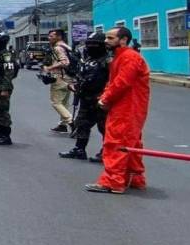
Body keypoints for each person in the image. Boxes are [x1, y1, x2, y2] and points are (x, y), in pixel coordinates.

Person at [85, 27, 151, 194]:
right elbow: (114, 82)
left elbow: (121, 83)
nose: (106, 41)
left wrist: (105, 99)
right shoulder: (121, 57)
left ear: (123, 40)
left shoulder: (129, 58)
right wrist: (107, 96)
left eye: (110, 38)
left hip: (127, 108)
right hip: (129, 106)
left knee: (116, 143)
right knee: (132, 143)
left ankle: (113, 182)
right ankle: (134, 178)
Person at [59, 33, 108, 161]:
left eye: (94, 44)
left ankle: (107, 152)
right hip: (85, 98)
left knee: (105, 128)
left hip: (101, 100)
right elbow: (81, 76)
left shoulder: (108, 61)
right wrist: (75, 85)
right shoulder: (88, 59)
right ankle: (79, 149)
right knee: (81, 124)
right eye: (89, 44)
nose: (91, 47)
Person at [44, 29, 74, 133]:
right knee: (64, 102)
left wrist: (49, 68)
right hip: (69, 77)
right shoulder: (67, 47)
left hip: (60, 77)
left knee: (56, 102)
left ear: (59, 37)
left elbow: (65, 62)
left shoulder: (58, 48)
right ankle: (63, 125)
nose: (49, 38)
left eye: (52, 36)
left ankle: (71, 121)